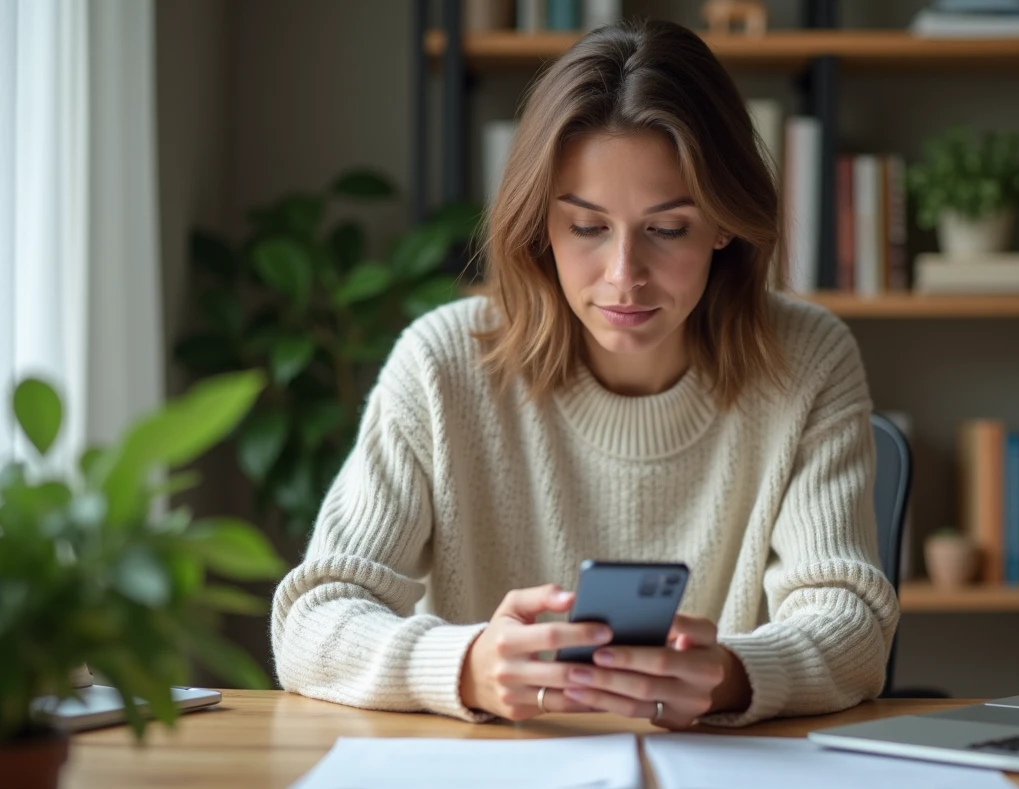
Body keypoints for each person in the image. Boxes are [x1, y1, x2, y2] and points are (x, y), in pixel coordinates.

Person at [270, 18, 899, 730]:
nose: (624, 275)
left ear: (724, 222)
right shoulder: (442, 364)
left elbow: (853, 624)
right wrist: (467, 665)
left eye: (668, 229)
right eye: (588, 227)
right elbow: (312, 621)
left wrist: (729, 676)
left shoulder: (807, 358)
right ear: (541, 223)